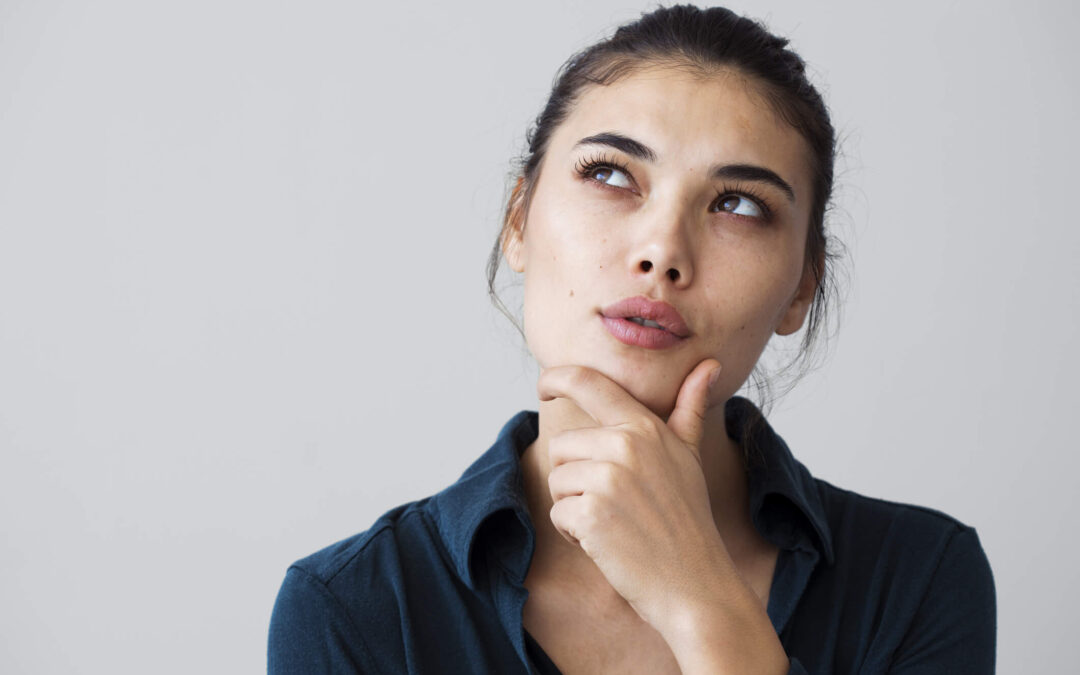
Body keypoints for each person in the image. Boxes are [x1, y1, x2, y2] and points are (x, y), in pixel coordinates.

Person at [267, 5, 996, 673]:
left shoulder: (919, 577)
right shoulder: (352, 608)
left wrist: (701, 600)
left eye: (738, 204)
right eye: (611, 173)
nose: (661, 251)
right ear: (517, 221)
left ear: (802, 285)